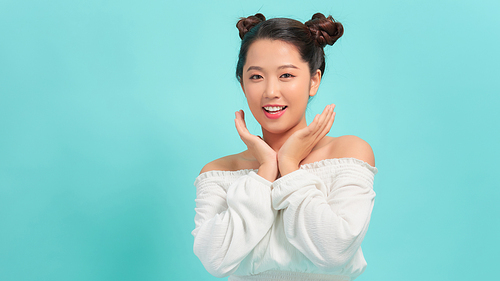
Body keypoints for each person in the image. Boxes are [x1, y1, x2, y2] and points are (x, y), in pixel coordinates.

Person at [192, 12, 378, 281]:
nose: (270, 92)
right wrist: (266, 170)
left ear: (314, 80)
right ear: (242, 84)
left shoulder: (348, 153)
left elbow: (333, 251)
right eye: (256, 77)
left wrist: (289, 167)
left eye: (286, 75)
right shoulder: (219, 172)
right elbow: (215, 260)